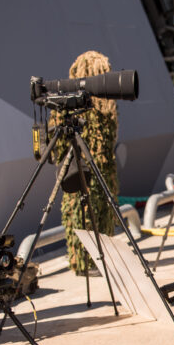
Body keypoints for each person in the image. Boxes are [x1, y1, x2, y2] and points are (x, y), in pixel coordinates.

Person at [53, 51, 120, 275]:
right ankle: (82, 262)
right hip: (80, 170)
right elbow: (58, 145)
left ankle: (101, 257)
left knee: (102, 214)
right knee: (80, 215)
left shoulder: (106, 105)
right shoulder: (70, 105)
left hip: (103, 170)